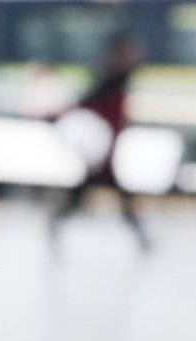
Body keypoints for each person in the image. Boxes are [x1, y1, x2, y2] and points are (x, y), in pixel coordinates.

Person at [50, 36, 149, 250]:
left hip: (106, 151)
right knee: (95, 194)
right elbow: (87, 103)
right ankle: (141, 238)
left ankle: (56, 224)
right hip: (102, 152)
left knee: (84, 193)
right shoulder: (110, 76)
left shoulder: (118, 75)